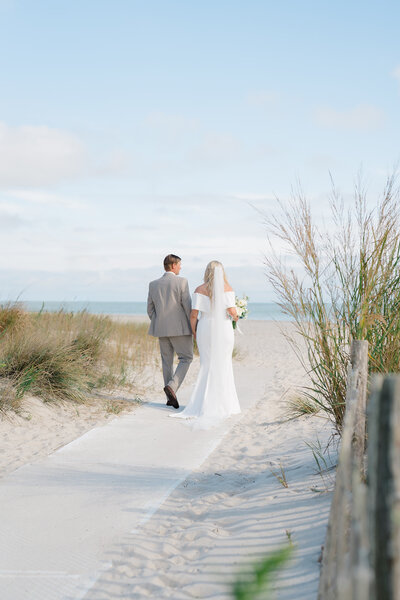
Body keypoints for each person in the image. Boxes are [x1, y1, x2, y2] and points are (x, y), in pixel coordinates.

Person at [171, 260, 241, 428]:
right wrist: (238, 315)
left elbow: (194, 314)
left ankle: (202, 403)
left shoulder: (199, 290)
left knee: (206, 364)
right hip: (223, 329)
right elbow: (232, 313)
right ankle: (227, 404)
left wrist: (195, 332)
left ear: (207, 272)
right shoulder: (228, 289)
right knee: (224, 363)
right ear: (221, 272)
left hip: (205, 328)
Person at [147, 254, 193, 409]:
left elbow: (150, 310)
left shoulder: (153, 284)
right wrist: (193, 326)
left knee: (167, 361)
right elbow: (187, 308)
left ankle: (169, 398)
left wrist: (159, 322)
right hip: (180, 329)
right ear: (173, 265)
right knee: (186, 358)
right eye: (180, 264)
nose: (181, 267)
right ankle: (172, 387)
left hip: (161, 329)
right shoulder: (182, 282)